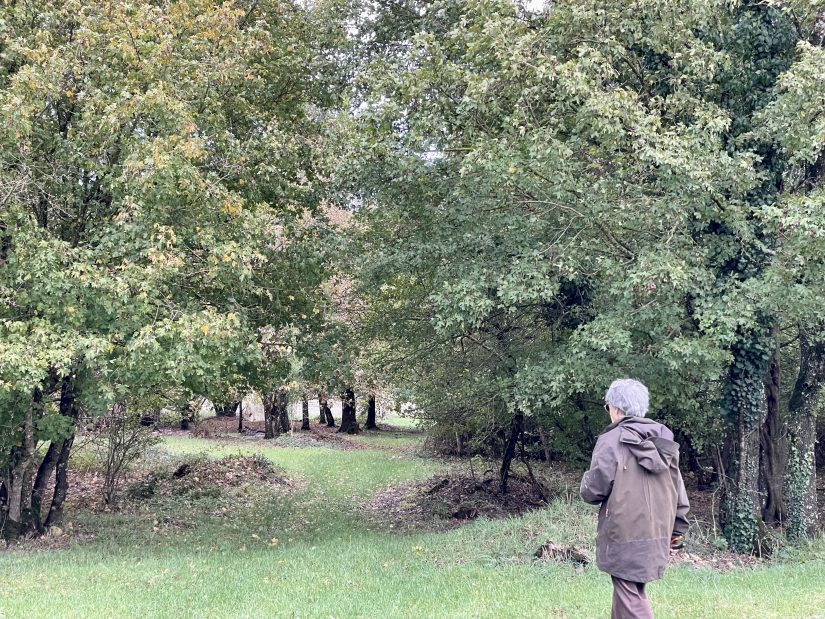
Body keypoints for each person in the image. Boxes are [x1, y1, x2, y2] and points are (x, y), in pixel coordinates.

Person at [580, 378, 689, 619]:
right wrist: (677, 530)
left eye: (608, 406)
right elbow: (678, 489)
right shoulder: (665, 443)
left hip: (624, 532)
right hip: (658, 531)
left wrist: (584, 484)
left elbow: (594, 489)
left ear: (616, 408)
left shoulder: (611, 440)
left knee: (629, 594)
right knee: (629, 591)